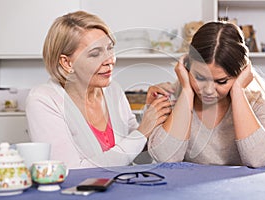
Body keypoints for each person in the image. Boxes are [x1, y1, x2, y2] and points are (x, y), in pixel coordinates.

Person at [25, 11, 171, 169]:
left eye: (110, 49)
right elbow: (71, 171)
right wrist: (142, 132)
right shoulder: (43, 100)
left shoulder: (112, 90)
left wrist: (149, 114)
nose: (110, 60)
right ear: (67, 63)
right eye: (95, 54)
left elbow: (140, 158)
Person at [146, 21, 265, 168]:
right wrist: (186, 92)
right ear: (187, 67)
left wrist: (238, 92)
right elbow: (166, 158)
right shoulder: (169, 98)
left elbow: (259, 160)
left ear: (242, 73)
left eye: (221, 81)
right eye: (200, 77)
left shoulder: (260, 103)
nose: (209, 90)